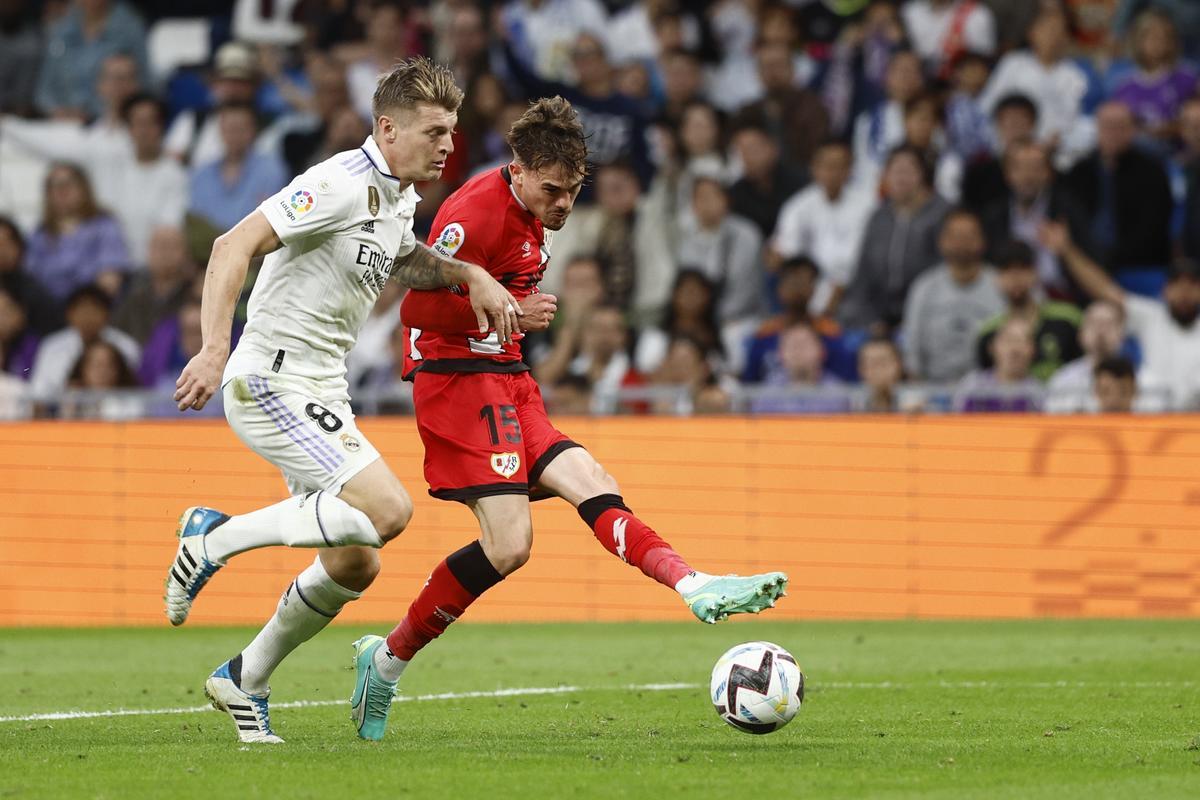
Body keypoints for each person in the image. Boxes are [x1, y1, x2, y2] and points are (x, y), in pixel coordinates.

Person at [363, 97, 788, 741]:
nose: (563, 204)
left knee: (588, 475)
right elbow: (415, 315)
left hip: (507, 377)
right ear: (520, 169)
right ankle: (386, 663)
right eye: (553, 190)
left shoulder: (540, 213)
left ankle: (692, 583)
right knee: (510, 547)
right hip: (454, 382)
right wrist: (507, 307)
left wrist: (508, 316)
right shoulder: (475, 213)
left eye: (573, 192)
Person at [159, 58, 521, 745]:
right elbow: (232, 245)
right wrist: (212, 348)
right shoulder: (337, 183)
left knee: (356, 559)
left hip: (321, 389)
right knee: (386, 510)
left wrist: (466, 273)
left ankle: (246, 678)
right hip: (270, 379)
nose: (448, 144)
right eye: (434, 131)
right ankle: (212, 537)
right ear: (386, 128)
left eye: (453, 131)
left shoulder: (395, 195)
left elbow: (402, 257)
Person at [1040, 221, 1200, 409]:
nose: (1184, 293)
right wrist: (1067, 251)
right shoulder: (1153, 317)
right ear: (1164, 290)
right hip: (1157, 416)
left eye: (1192, 286)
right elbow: (1104, 290)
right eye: (1177, 285)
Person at [840, 145, 951, 333]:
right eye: (895, 171)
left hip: (928, 310)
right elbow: (862, 275)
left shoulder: (942, 214)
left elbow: (944, 271)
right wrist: (870, 321)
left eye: (908, 171)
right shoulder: (878, 217)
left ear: (923, 175)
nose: (901, 178)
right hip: (879, 311)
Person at [978, 6, 1095, 170]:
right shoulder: (1013, 64)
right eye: (1047, 29)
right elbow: (987, 107)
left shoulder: (1076, 75)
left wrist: (1063, 141)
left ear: (1067, 37)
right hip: (1010, 152)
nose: (1052, 36)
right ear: (1031, 33)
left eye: (1058, 30)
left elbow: (1086, 122)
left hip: (1059, 157)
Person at [1062, 101, 1173, 272]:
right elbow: (1071, 219)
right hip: (1087, 263)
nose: (1113, 133)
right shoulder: (1079, 171)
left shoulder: (1152, 172)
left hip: (1139, 263)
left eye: (1121, 126)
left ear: (1133, 130)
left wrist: (1112, 258)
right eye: (1107, 126)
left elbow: (1153, 228)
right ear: (1097, 129)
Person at [771, 140, 874, 318]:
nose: (832, 173)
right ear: (814, 168)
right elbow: (789, 253)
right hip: (808, 287)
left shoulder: (868, 206)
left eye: (839, 166)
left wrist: (839, 287)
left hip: (855, 287)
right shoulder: (797, 206)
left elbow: (864, 256)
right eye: (826, 166)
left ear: (850, 170)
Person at [901, 209, 1005, 382]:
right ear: (941, 241)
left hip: (988, 391)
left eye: (969, 236)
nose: (962, 243)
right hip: (933, 389)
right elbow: (912, 351)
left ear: (983, 240)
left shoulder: (1001, 285)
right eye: (955, 236)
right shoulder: (924, 287)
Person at [980, 139, 1092, 299]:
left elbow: (1093, 262)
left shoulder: (1068, 210)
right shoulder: (993, 215)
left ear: (1048, 173)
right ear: (1008, 174)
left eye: (1036, 168)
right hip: (1006, 299)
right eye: (1020, 168)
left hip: (1059, 298)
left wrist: (1066, 249)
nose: (1028, 176)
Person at [975, 240, 1082, 381]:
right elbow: (987, 382)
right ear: (996, 278)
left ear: (1035, 273)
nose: (1015, 277)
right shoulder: (989, 332)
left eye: (1023, 268)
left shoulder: (1068, 319)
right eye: (1006, 270)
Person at [24, 162, 132, 303]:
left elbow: (110, 279)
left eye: (68, 184)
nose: (61, 191)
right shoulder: (39, 234)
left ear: (84, 188)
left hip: (92, 309)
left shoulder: (104, 226)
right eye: (54, 186)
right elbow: (29, 279)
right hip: (49, 313)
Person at [27, 284, 140, 406]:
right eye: (82, 309)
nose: (88, 316)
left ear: (107, 314)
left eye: (94, 309)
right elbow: (38, 392)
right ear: (69, 314)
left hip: (117, 411)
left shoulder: (126, 346)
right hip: (61, 414)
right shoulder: (51, 346)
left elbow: (132, 389)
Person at [188, 102, 290, 236]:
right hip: (207, 251)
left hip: (258, 251)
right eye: (229, 128)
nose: (235, 135)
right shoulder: (202, 174)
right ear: (220, 129)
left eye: (241, 129)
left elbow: (273, 223)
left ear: (254, 130)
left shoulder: (272, 169)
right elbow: (194, 222)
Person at [34, 0, 147, 120]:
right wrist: (58, 111)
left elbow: (144, 85)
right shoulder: (61, 28)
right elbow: (44, 90)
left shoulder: (130, 29)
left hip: (111, 122)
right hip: (63, 123)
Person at [1111, 9, 1196, 141]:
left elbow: (1195, 121)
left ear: (1172, 42)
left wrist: (1168, 129)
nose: (1157, 44)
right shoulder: (1124, 85)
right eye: (1151, 37)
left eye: (1163, 38)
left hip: (1176, 149)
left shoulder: (1186, 78)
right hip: (1137, 150)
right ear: (1137, 42)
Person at [111, 226, 194, 345]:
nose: (165, 253)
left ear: (186, 253)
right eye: (159, 246)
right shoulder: (134, 296)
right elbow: (116, 335)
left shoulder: (195, 297)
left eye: (172, 246)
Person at [749, 320, 852, 414]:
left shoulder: (838, 393)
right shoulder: (766, 393)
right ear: (780, 354)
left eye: (804, 344)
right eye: (791, 344)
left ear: (822, 352)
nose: (798, 350)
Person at [1045, 299, 1128, 413]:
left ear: (1122, 335)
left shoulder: (1144, 380)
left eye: (1108, 324)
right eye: (1094, 324)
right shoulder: (1062, 381)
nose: (1101, 332)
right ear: (1080, 335)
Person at [953, 316, 1043, 411]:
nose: (1015, 349)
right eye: (1008, 340)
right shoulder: (972, 388)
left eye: (1022, 341)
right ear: (992, 347)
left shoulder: (1039, 395)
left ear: (1033, 350)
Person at [901, 0, 997, 77]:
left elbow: (983, 66)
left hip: (957, 85)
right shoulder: (910, 12)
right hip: (919, 81)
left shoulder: (977, 14)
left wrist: (962, 50)